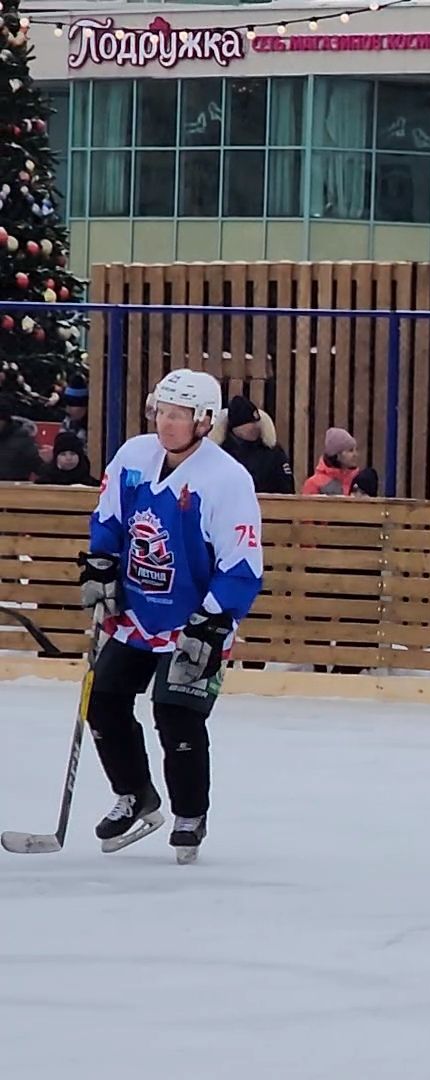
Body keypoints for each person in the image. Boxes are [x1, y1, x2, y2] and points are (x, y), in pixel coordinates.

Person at [79, 369, 264, 864]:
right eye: (162, 411)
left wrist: (214, 618)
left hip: (195, 619)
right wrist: (100, 563)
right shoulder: (134, 457)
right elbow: (109, 518)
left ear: (204, 421)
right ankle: (135, 795)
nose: (167, 423)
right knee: (102, 701)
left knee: (175, 714)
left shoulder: (226, 479)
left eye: (179, 415)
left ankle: (189, 814)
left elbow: (241, 564)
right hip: (137, 615)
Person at [218, 395, 295, 496]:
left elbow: (287, 489)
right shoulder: (220, 455)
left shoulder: (273, 452)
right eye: (248, 423)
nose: (255, 426)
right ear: (235, 428)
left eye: (256, 421)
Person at [301, 427, 362, 496]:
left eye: (356, 450)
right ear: (337, 455)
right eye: (350, 450)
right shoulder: (314, 484)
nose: (355, 454)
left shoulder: (359, 480)